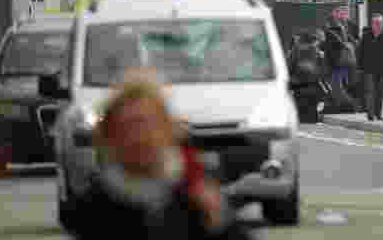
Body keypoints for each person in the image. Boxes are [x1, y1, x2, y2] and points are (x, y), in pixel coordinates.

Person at [65, 69, 253, 240]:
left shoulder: (197, 196)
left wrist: (218, 222)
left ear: (167, 131)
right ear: (110, 139)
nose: (138, 138)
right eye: (126, 128)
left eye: (146, 125)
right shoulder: (94, 209)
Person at [357, 14, 383, 122]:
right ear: (372, 24)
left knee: (380, 92)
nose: (378, 25)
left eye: (380, 23)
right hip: (369, 68)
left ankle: (378, 114)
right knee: (370, 91)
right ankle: (370, 114)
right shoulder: (366, 36)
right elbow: (360, 52)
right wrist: (360, 66)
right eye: (376, 23)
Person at [322, 6, 360, 112]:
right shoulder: (339, 28)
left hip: (338, 61)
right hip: (340, 61)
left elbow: (332, 46)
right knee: (337, 86)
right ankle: (340, 106)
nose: (339, 16)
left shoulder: (335, 29)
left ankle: (351, 105)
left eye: (339, 13)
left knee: (337, 87)